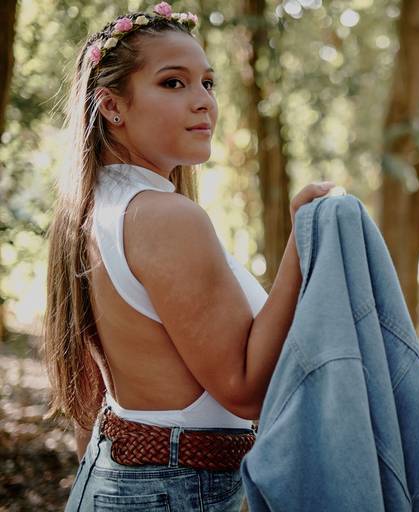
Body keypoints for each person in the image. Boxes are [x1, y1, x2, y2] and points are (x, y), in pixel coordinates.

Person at [42, 3, 333, 510]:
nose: (203, 102)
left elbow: (88, 401)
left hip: (118, 478)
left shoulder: (95, 207)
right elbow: (244, 391)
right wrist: (302, 247)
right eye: (173, 83)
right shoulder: (166, 217)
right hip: (169, 490)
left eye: (208, 83)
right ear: (112, 106)